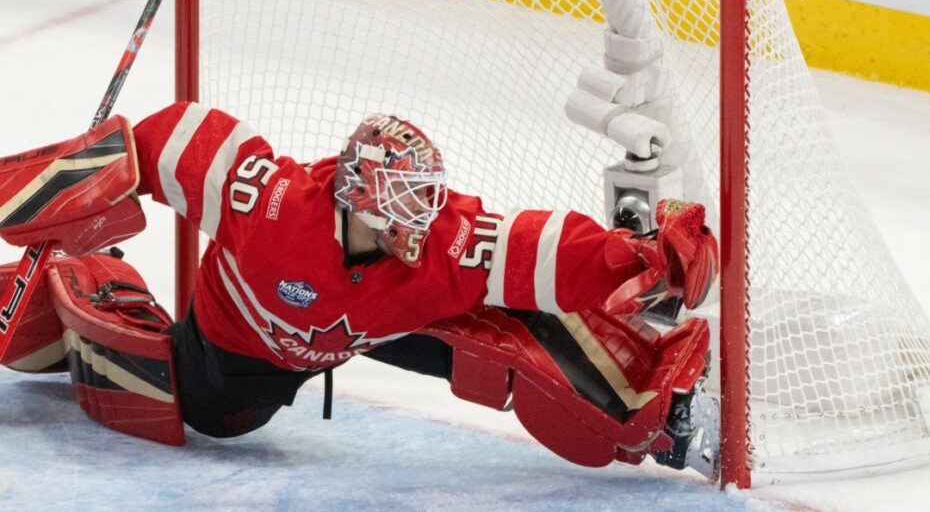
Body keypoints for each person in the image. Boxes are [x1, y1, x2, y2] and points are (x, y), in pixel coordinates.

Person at [0, 104, 720, 479]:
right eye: (405, 198)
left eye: (426, 196)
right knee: (205, 417)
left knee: (518, 333)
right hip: (239, 352)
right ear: (360, 195)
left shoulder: (445, 244)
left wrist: (644, 256)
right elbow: (166, 140)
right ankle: (92, 286)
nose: (423, 215)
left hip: (369, 327)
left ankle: (665, 419)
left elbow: (541, 248)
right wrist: (68, 178)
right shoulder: (271, 204)